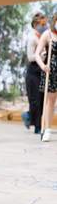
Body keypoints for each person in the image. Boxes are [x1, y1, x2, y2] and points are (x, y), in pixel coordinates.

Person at [22, 13, 48, 134]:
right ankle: (37, 126)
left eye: (46, 24)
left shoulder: (43, 36)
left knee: (42, 99)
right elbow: (30, 57)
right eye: (42, 24)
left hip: (42, 70)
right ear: (35, 24)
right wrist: (41, 56)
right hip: (33, 71)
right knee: (36, 100)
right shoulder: (32, 38)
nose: (45, 26)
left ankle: (28, 116)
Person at [35, 13, 57, 142]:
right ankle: (47, 129)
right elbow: (37, 54)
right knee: (51, 101)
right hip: (51, 70)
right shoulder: (47, 34)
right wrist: (43, 66)